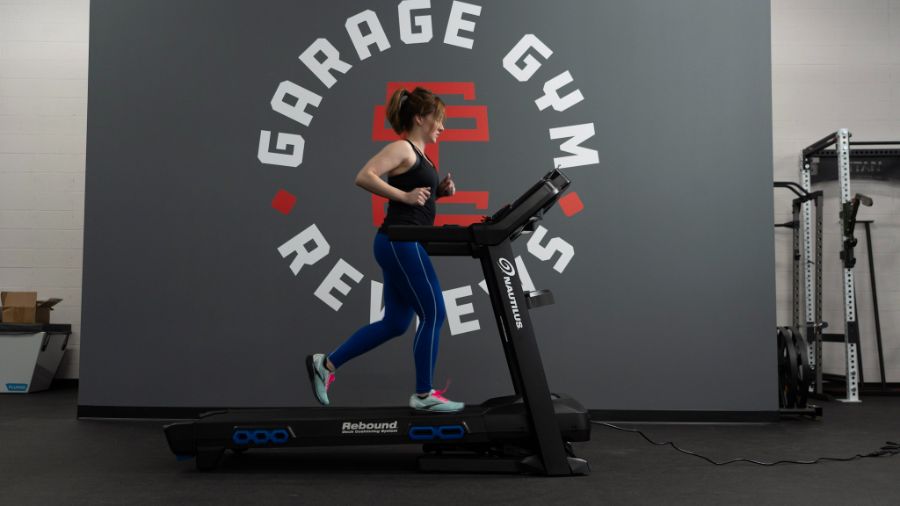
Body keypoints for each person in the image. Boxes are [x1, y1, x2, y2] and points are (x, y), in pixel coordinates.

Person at [306, 87, 463, 413]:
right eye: (439, 120)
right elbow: (364, 176)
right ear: (420, 118)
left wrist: (440, 193)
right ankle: (423, 395)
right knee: (434, 312)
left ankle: (326, 364)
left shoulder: (420, 156)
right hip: (400, 242)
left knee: (395, 323)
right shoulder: (403, 149)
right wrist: (403, 197)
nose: (442, 127)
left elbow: (416, 199)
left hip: (397, 242)